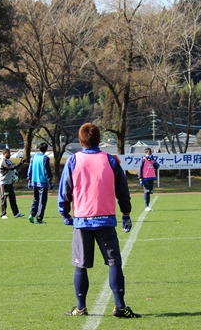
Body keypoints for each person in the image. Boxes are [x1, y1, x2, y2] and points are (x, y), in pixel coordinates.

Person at [58, 123, 141, 319]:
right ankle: (120, 307)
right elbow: (122, 190)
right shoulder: (110, 160)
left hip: (82, 221)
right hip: (106, 220)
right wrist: (126, 213)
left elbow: (65, 190)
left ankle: (80, 307)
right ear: (99, 140)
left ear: (80, 141)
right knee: (114, 263)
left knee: (81, 265)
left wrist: (65, 213)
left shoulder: (73, 160)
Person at [27, 142, 53, 224]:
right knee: (42, 201)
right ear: (46, 149)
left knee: (35, 198)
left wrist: (29, 179)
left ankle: (32, 214)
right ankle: (39, 219)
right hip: (43, 182)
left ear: (39, 148)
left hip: (34, 181)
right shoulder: (45, 158)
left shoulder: (33, 157)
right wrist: (50, 181)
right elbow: (47, 171)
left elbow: (30, 168)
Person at [0, 148, 27, 219]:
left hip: (9, 182)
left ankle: (16, 213)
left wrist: (15, 176)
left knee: (12, 198)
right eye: (9, 153)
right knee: (4, 198)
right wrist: (20, 163)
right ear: (5, 154)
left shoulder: (8, 161)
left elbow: (12, 170)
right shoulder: (3, 161)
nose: (10, 154)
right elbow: (10, 168)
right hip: (3, 183)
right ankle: (3, 214)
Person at [138, 147, 160, 211]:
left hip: (151, 177)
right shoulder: (143, 159)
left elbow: (157, 166)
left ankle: (148, 205)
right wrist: (140, 178)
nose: (150, 153)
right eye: (149, 152)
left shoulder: (152, 159)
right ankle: (147, 206)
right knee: (146, 192)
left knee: (150, 192)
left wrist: (153, 161)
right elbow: (140, 169)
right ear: (146, 152)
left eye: (151, 152)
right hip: (146, 178)